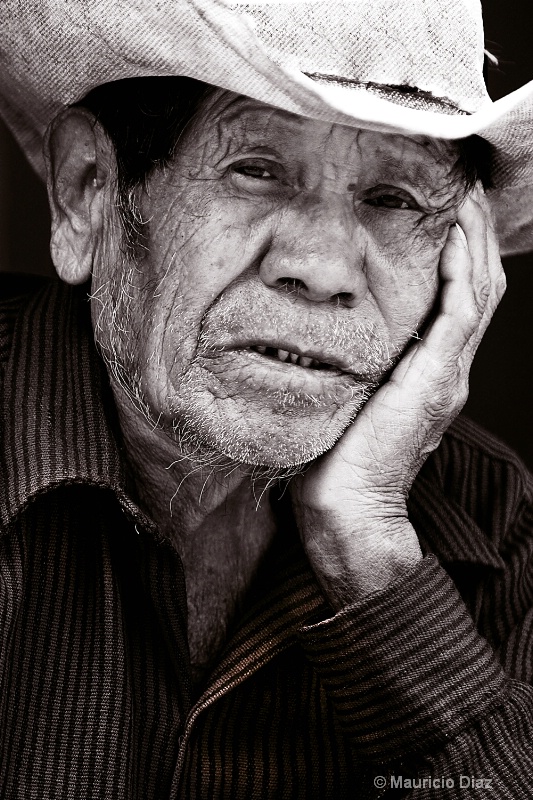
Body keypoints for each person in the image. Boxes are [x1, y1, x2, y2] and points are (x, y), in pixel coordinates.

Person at [0, 0, 533, 796]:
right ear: (91, 192)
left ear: (464, 261)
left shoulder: (494, 520)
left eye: (393, 199)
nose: (320, 269)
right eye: (256, 169)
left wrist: (372, 555)